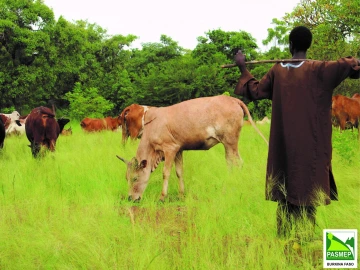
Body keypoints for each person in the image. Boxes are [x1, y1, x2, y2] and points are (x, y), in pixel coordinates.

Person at [233, 26, 360, 239]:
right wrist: (353, 61)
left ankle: (285, 236)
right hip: (312, 146)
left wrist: (243, 68)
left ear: (290, 45)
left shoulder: (278, 71)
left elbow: (255, 91)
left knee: (286, 186)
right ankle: (305, 236)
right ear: (308, 46)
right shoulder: (322, 69)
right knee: (309, 187)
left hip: (285, 147)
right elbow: (350, 66)